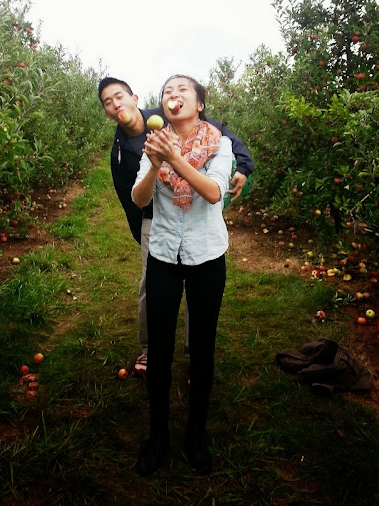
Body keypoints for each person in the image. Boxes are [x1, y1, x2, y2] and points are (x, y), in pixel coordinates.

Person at [98, 76, 254, 378]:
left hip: (198, 225)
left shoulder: (170, 118)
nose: (116, 104)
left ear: (134, 98)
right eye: (108, 102)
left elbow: (222, 137)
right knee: (153, 290)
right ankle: (151, 350)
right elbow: (130, 197)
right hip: (155, 223)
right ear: (106, 112)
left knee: (199, 297)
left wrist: (244, 165)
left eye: (119, 96)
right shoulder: (122, 150)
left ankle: (194, 353)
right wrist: (139, 229)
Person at [131, 74, 232, 476]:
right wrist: (156, 165)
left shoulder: (219, 144)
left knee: (203, 347)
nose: (173, 96)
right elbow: (139, 199)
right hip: (163, 254)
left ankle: (196, 433)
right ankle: (158, 436)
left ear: (199, 103)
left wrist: (175, 160)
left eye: (182, 91)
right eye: (167, 93)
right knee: (159, 348)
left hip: (206, 254)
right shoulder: (154, 143)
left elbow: (214, 192)